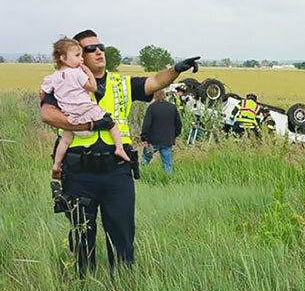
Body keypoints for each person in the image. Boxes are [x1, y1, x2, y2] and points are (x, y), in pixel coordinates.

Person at [40, 29, 199, 276]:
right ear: (78, 56)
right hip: (80, 173)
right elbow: (47, 114)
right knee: (82, 236)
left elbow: (155, 81)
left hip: (117, 171)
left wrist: (176, 69)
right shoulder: (65, 81)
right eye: (90, 49)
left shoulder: (121, 84)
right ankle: (82, 287)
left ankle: (122, 288)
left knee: (122, 235)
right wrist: (89, 125)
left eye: (100, 46)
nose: (99, 51)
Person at [42, 37, 130, 180]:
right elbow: (92, 87)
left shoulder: (53, 77)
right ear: (64, 58)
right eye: (77, 56)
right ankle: (119, 149)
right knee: (111, 123)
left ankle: (57, 164)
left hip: (70, 117)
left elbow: (43, 92)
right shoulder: (77, 73)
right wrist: (88, 72)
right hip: (86, 111)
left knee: (65, 141)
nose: (81, 60)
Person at [141, 90, 182, 173]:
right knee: (167, 163)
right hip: (167, 140)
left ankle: (140, 176)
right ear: (165, 95)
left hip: (152, 140)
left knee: (145, 160)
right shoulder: (172, 108)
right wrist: (174, 135)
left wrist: (144, 138)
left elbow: (146, 124)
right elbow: (178, 124)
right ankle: (167, 181)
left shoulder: (152, 107)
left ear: (154, 96)